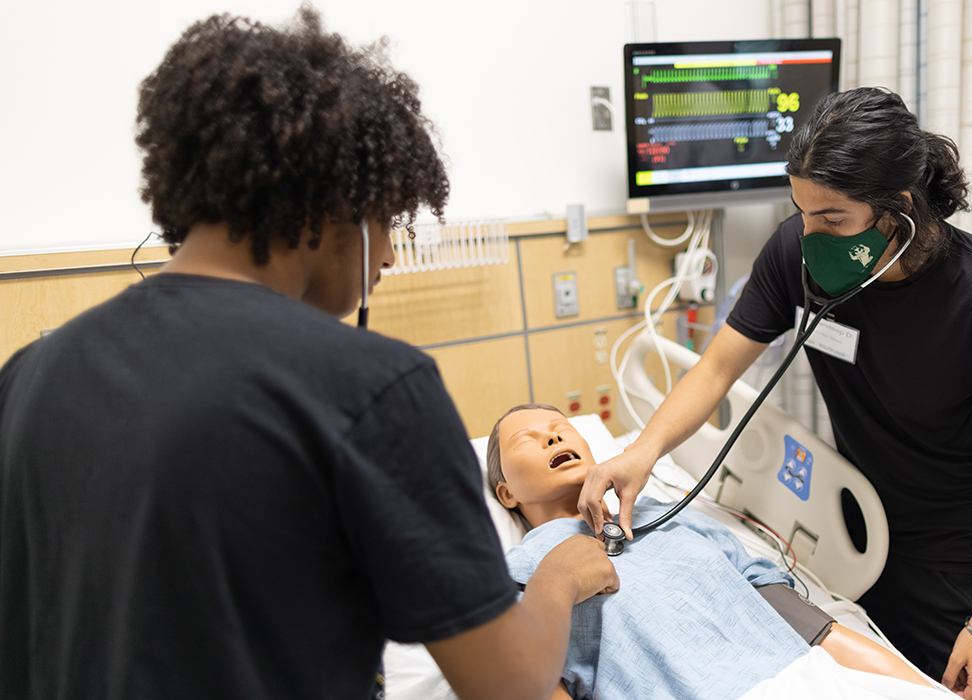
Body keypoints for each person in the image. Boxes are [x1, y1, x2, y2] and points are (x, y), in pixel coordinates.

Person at [0, 9, 616, 700]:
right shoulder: (372, 387)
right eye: (389, 220)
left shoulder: (29, 376)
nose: (386, 253)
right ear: (346, 201)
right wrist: (559, 576)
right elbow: (510, 684)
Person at [578, 88, 972, 700]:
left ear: (899, 210)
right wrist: (640, 454)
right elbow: (718, 367)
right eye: (801, 211)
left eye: (832, 220)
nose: (809, 234)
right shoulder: (794, 256)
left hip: (955, 553)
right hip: (853, 525)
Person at [489, 404, 947, 700]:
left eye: (561, 429)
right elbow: (527, 678)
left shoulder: (667, 513)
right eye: (526, 440)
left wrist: (919, 689)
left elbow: (788, 612)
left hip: (803, 676)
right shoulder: (515, 575)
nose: (552, 438)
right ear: (505, 494)